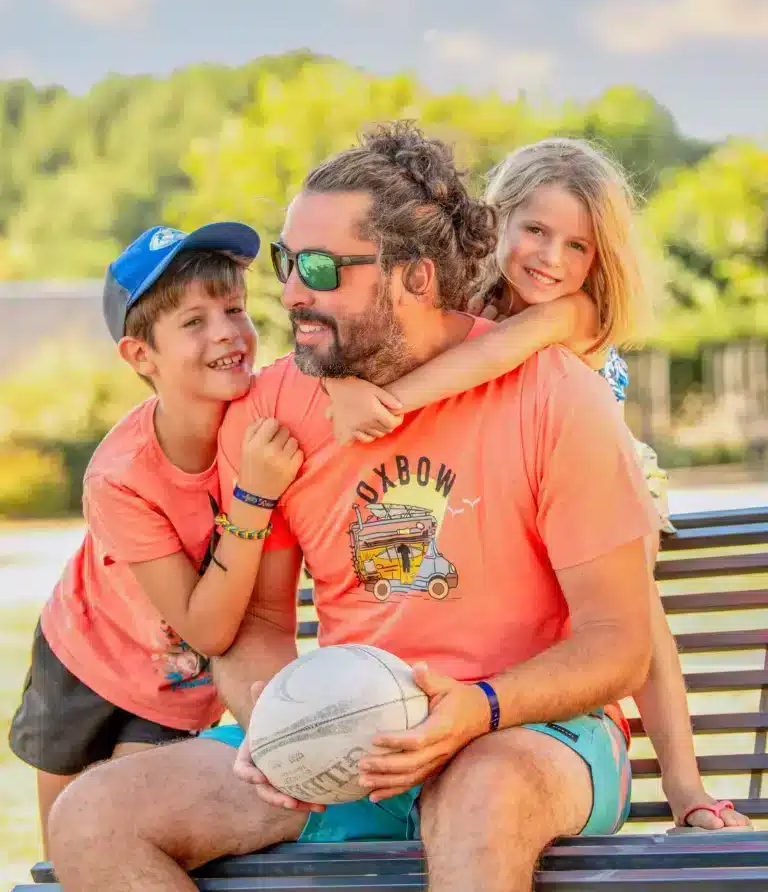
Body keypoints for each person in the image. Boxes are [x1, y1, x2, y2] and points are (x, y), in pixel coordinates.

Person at [47, 123, 654, 892]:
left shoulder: (555, 393)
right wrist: (281, 726)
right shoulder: (274, 410)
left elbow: (617, 645)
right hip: (353, 737)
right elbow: (257, 625)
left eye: (323, 268)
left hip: (530, 730)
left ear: (417, 278)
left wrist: (480, 707)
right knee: (91, 818)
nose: (292, 290)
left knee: (482, 792)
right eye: (286, 260)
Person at [323, 136, 751, 833]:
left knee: (632, 604)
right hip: (508, 479)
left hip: (603, 471)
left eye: (577, 246)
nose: (552, 259)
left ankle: (686, 789)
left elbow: (491, 358)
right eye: (536, 231)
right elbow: (353, 331)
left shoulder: (574, 313)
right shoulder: (458, 297)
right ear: (499, 224)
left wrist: (383, 399)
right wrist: (341, 378)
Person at [9, 223, 303, 856]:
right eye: (193, 321)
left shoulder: (266, 421)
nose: (227, 331)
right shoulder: (121, 477)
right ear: (141, 356)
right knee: (69, 855)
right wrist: (252, 497)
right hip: (83, 663)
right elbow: (205, 626)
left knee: (130, 834)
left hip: (177, 687)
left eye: (233, 309)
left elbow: (332, 380)